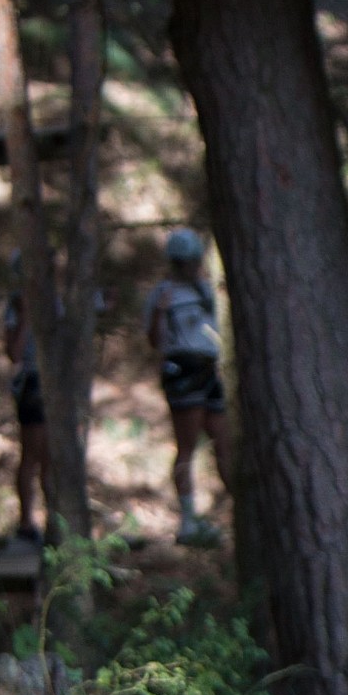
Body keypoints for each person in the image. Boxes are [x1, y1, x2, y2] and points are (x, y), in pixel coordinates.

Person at [143, 229, 234, 546]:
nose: (189, 267)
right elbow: (154, 341)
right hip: (182, 370)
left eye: (193, 261)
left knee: (223, 442)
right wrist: (159, 312)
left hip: (209, 370)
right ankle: (187, 521)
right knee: (187, 447)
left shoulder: (205, 290)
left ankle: (238, 513)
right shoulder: (161, 294)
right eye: (184, 262)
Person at [1, 254, 50, 545]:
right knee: (32, 454)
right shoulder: (16, 305)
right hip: (32, 382)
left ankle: (56, 519)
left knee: (52, 458)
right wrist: (25, 316)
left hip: (56, 385)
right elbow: (14, 354)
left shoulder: (57, 298)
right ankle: (26, 522)